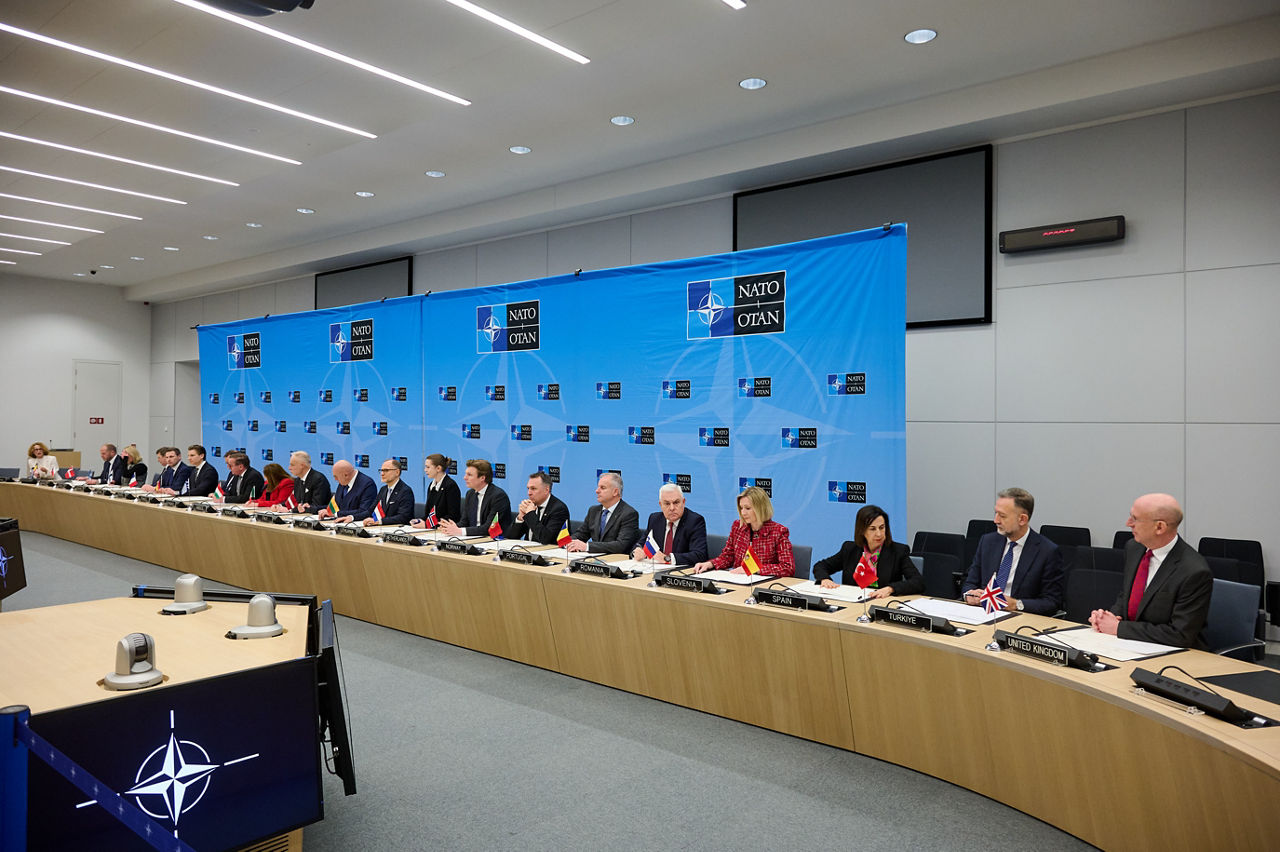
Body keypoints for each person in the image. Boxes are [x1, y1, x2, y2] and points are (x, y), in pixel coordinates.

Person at [1089, 493, 1213, 649]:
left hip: (1174, 654)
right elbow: (1127, 595)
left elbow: (1180, 635)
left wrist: (1118, 628)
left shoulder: (1194, 571)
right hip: (1130, 645)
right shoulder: (1134, 548)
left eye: (1135, 519)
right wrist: (1108, 617)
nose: (1128, 523)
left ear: (1160, 527)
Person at [960, 487, 1063, 614]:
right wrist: (968, 594)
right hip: (982, 612)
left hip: (1019, 617)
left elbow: (1052, 602)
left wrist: (1016, 604)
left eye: (1002, 516)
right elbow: (970, 582)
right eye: (996, 513)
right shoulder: (987, 542)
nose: (996, 520)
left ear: (1022, 519)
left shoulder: (1047, 551)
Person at [813, 504, 921, 598]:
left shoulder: (898, 551)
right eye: (872, 529)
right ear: (862, 531)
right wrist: (825, 579)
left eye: (882, 527)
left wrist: (890, 589)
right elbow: (820, 566)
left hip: (880, 604)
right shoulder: (850, 549)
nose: (879, 534)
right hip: (853, 604)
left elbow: (918, 582)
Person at [694, 486, 794, 576]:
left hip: (763, 584)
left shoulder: (778, 531)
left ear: (761, 508)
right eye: (741, 508)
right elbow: (728, 556)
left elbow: (787, 567)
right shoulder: (738, 527)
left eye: (748, 508)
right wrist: (710, 564)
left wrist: (753, 569)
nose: (743, 513)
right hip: (738, 581)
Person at [630, 483, 708, 566]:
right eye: (667, 504)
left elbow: (699, 555)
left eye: (676, 502)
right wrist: (637, 551)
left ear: (683, 502)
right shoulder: (655, 519)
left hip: (681, 571)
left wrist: (667, 558)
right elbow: (641, 543)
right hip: (656, 569)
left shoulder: (694, 521)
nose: (672, 508)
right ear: (660, 505)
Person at [565, 472, 640, 554]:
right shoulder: (593, 511)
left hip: (616, 559)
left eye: (603, 488)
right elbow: (581, 534)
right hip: (594, 558)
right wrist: (570, 543)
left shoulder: (629, 514)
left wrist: (587, 547)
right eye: (598, 487)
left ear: (615, 492)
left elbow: (621, 545)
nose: (597, 491)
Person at [440, 459, 511, 538]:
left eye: (469, 475)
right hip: (473, 538)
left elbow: (489, 528)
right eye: (466, 474)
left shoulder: (498, 496)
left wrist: (460, 531)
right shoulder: (470, 494)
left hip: (493, 539)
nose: (465, 478)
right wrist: (450, 528)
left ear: (482, 478)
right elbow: (464, 522)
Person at [507, 471, 571, 544]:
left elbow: (546, 539)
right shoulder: (531, 506)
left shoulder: (559, 509)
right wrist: (520, 517)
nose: (529, 493)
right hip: (528, 549)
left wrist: (530, 514)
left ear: (546, 490)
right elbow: (510, 538)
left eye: (533, 489)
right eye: (528, 488)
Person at [411, 453, 461, 528]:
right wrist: (419, 521)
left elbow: (453, 516)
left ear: (438, 468)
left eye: (428, 467)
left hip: (445, 529)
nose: (425, 470)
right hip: (433, 528)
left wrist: (427, 525)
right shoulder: (431, 485)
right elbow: (429, 515)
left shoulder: (451, 486)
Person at [362, 459, 416, 526]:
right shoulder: (383, 489)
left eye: (386, 470)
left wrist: (379, 521)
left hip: (398, 529)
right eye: (381, 470)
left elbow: (403, 517)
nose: (382, 474)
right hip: (382, 528)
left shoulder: (405, 491)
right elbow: (370, 511)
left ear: (397, 472)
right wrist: (352, 517)